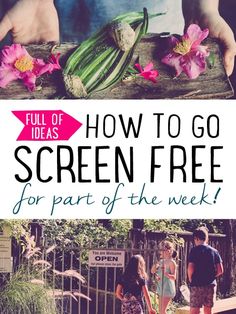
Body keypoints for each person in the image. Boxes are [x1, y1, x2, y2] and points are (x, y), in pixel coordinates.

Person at [187, 226, 224, 314]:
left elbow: (190, 267)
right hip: (210, 285)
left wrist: (191, 279)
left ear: (196, 238)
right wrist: (211, 277)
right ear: (206, 238)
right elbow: (220, 270)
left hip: (197, 284)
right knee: (208, 310)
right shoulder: (214, 251)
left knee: (194, 310)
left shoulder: (194, 250)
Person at [151, 240, 177, 314]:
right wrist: (155, 265)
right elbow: (152, 271)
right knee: (160, 311)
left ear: (169, 250)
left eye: (163, 249)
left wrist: (165, 273)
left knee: (162, 311)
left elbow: (174, 277)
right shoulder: (161, 261)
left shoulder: (172, 262)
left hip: (168, 288)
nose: (161, 251)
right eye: (161, 249)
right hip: (161, 287)